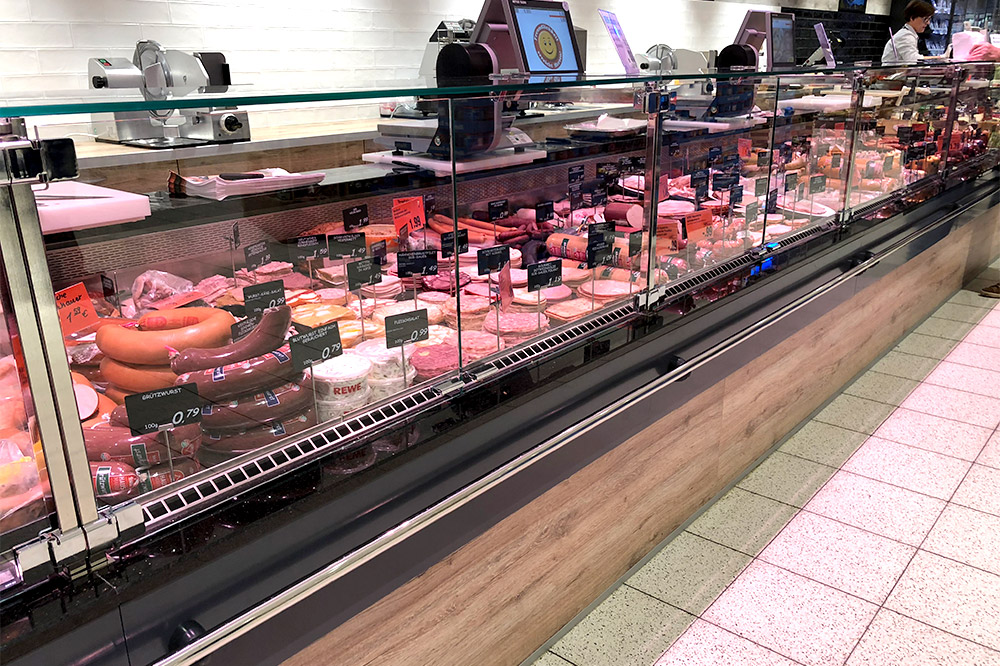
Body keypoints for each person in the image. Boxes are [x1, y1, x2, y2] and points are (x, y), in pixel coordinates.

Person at [882, 0, 936, 66]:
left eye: (929, 19)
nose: (928, 23)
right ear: (912, 18)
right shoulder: (905, 36)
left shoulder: (909, 34)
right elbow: (914, 61)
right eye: (925, 19)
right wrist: (941, 58)